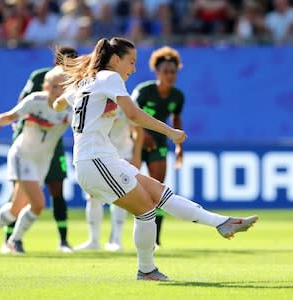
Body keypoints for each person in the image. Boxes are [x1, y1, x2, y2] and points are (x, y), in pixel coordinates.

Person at [54, 37, 258, 281]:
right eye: (131, 62)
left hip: (102, 159)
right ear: (116, 60)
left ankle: (222, 222)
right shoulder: (110, 77)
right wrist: (170, 132)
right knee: (147, 211)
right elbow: (134, 114)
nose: (133, 69)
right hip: (95, 160)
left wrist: (55, 104)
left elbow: (58, 103)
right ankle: (147, 270)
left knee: (161, 193)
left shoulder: (84, 81)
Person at [0, 67, 72, 254]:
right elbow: (11, 116)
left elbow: (84, 127)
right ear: (45, 87)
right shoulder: (35, 101)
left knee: (15, 208)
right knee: (38, 204)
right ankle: (15, 240)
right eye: (53, 86)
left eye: (62, 86)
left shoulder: (71, 108)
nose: (57, 91)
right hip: (22, 156)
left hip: (43, 161)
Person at [0, 46, 78, 253]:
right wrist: (17, 128)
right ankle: (9, 239)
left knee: (57, 190)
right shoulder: (39, 79)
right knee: (19, 194)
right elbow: (22, 106)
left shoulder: (76, 85)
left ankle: (63, 241)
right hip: (29, 143)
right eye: (66, 64)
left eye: (73, 65)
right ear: (56, 64)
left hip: (54, 145)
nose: (69, 69)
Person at [131, 46, 185, 247]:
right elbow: (130, 115)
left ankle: (155, 238)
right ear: (157, 72)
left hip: (159, 144)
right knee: (125, 186)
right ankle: (116, 236)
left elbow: (176, 120)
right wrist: (143, 135)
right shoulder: (144, 91)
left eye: (173, 72)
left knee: (158, 190)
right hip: (135, 142)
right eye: (166, 72)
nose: (170, 76)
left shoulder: (177, 97)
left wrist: (179, 147)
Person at [74, 105, 144, 252]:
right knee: (93, 196)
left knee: (122, 196)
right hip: (99, 155)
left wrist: (137, 156)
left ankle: (116, 239)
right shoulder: (94, 102)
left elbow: (138, 131)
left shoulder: (125, 102)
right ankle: (93, 240)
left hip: (122, 155)